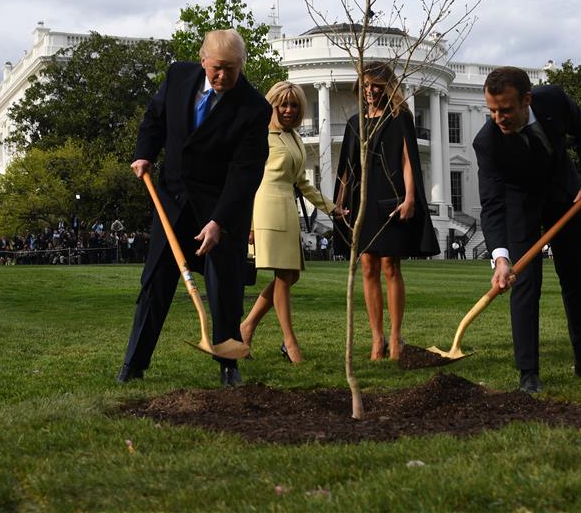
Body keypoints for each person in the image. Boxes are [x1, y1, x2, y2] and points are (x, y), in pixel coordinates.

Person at [117, 29, 271, 387]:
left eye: (231, 69)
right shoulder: (178, 77)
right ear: (203, 61)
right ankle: (134, 364)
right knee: (155, 283)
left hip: (220, 208)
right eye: (217, 68)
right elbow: (154, 119)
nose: (222, 76)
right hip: (171, 202)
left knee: (225, 289)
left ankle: (228, 365)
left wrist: (220, 220)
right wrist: (144, 153)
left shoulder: (254, 108)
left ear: (241, 65)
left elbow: (245, 173)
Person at [473, 66, 581, 394]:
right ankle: (528, 373)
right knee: (525, 284)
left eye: (505, 109)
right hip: (520, 203)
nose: (498, 117)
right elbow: (492, 204)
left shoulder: (554, 100)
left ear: (527, 100)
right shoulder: (487, 143)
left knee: (575, 280)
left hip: (565, 196)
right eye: (491, 110)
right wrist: (500, 257)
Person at [333, 61, 439, 361]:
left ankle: (395, 337)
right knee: (367, 266)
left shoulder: (399, 118)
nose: (369, 91)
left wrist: (410, 198)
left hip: (389, 197)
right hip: (362, 199)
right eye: (365, 85)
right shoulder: (355, 123)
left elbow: (408, 161)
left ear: (387, 85)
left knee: (390, 264)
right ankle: (377, 339)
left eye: (375, 85)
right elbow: (346, 167)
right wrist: (339, 202)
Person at [240, 82, 342, 364]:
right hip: (265, 208)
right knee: (285, 276)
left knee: (291, 276)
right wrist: (247, 224)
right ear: (271, 105)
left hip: (287, 210)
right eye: (282, 104)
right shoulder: (260, 135)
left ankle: (246, 327)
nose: (287, 110)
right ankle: (289, 341)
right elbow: (246, 180)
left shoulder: (293, 137)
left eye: (293, 105)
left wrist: (332, 208)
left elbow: (303, 184)